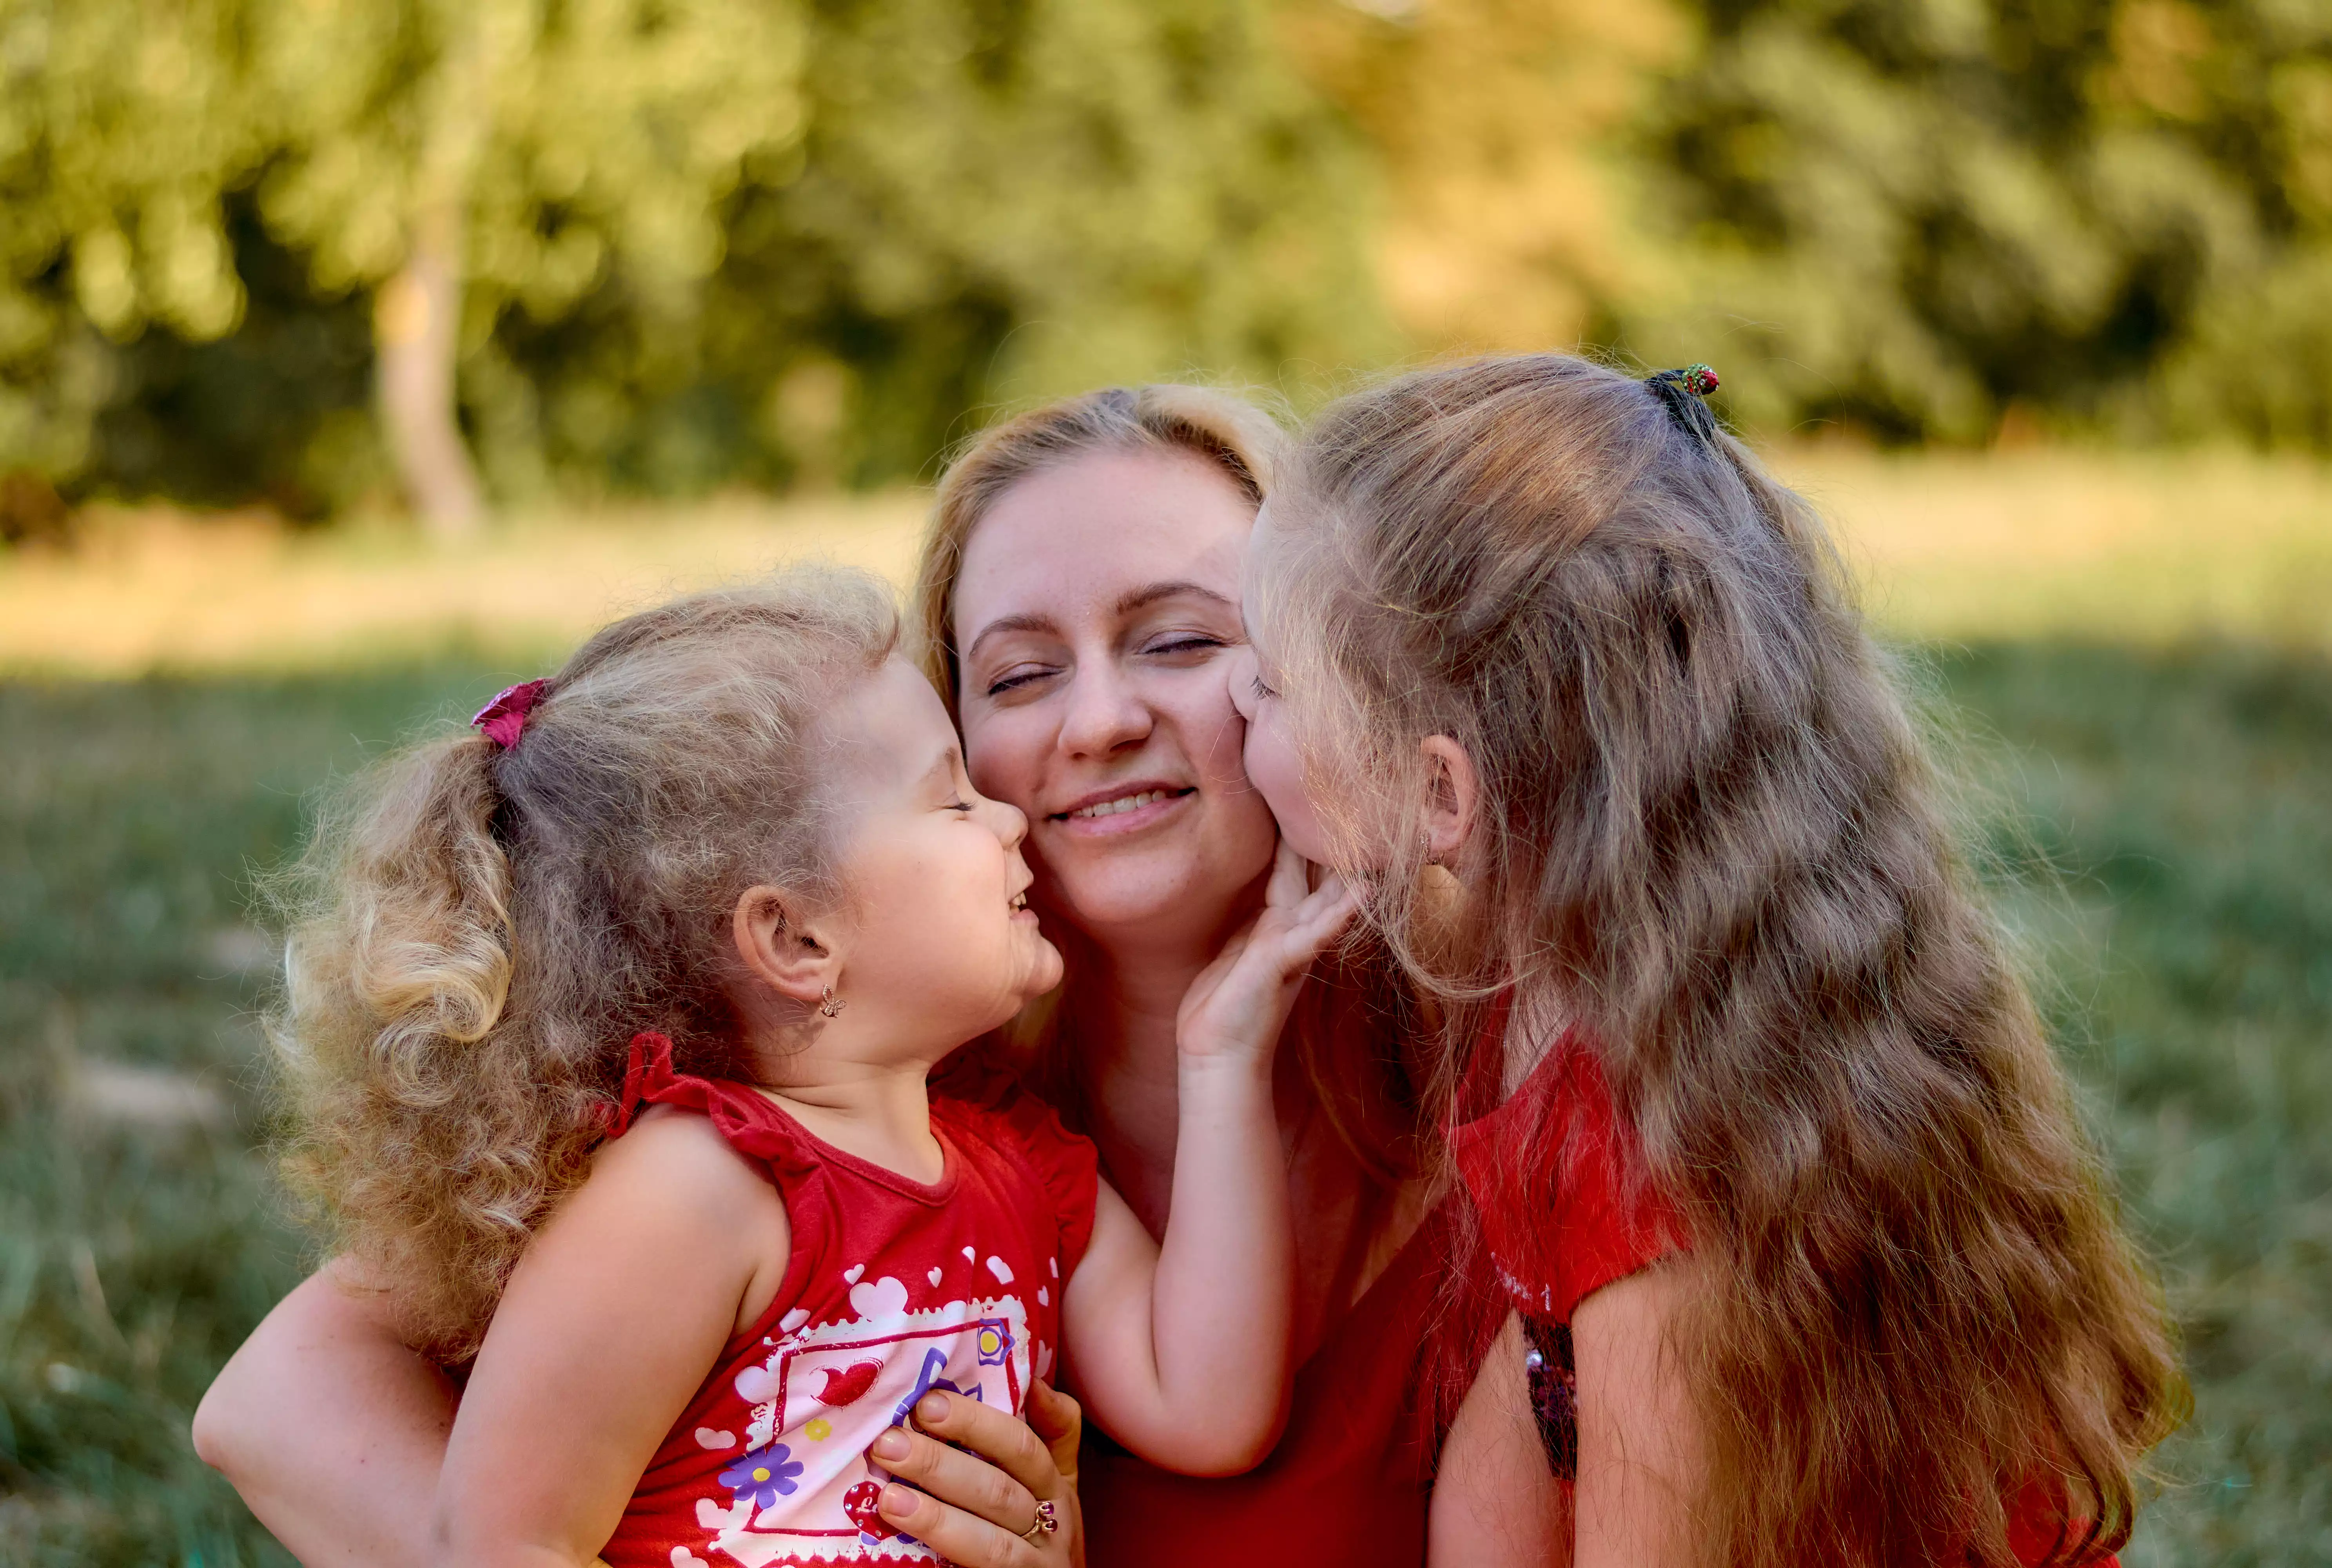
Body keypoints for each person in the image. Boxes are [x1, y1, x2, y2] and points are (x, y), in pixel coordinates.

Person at [196, 387, 1561, 1568]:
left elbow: (1211, 1407)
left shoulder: (1519, 1083)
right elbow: (280, 1400)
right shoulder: (832, 1108)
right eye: (1017, 677)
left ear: (1324, 676)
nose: (1098, 722)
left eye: (1183, 642)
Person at [1230, 354, 2187, 1566]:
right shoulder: (1587, 981)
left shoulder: (1654, 1171)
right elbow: (1520, 1431)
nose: (1235, 700)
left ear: (1438, 794)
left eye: (1271, 684)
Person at [253, 572, 1354, 1567]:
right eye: (952, 800)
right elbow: (501, 1542)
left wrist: (1222, 1056)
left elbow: (1207, 1410)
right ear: (795, 939)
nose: (1010, 819)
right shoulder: (696, 1189)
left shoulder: (1018, 1164)